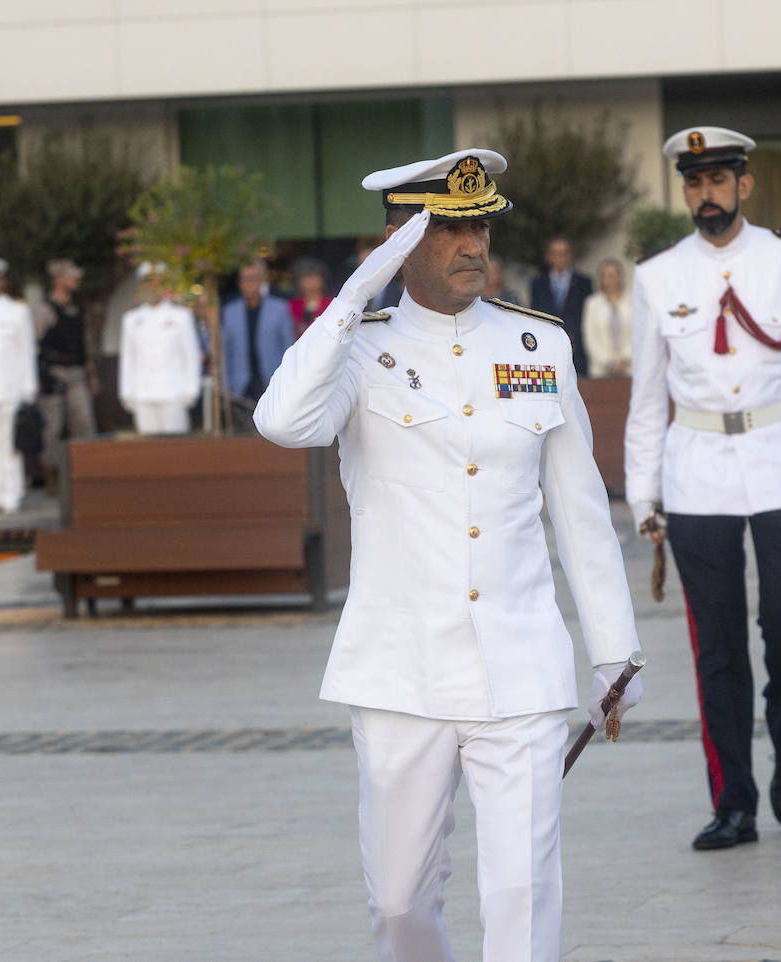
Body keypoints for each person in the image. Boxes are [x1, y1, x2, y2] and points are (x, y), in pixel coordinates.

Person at [253, 149, 642, 962]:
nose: (475, 246)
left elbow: (579, 513)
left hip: (520, 663)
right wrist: (357, 293)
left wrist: (614, 651)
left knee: (521, 894)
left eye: (482, 226)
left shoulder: (538, 346)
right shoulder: (357, 350)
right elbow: (283, 422)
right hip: (399, 670)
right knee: (398, 903)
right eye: (451, 229)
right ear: (400, 239)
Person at [625, 126, 781, 851]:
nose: (705, 195)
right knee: (717, 648)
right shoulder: (657, 277)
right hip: (697, 471)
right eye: (693, 182)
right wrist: (642, 495)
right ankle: (734, 801)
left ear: (746, 183)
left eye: (718, 180)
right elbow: (648, 397)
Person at [33, 258, 98, 485]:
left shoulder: (78, 309)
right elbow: (33, 344)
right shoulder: (44, 310)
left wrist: (92, 374)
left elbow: (85, 344)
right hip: (53, 373)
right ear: (59, 279)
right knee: (52, 426)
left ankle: (88, 470)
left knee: (84, 422)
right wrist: (39, 376)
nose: (76, 281)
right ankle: (52, 474)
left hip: (77, 373)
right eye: (72, 276)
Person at [117, 263, 203, 435]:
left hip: (174, 392)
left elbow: (191, 356)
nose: (152, 288)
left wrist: (191, 390)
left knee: (176, 449)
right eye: (148, 283)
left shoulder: (181, 316)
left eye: (157, 283)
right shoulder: (131, 319)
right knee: (148, 452)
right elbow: (128, 358)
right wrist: (127, 393)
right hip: (142, 392)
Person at [0, 256, 38, 514]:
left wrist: (29, 388)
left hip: (8, 387)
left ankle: (10, 493)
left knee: (10, 444)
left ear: (2, 283)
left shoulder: (17, 311)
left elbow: (26, 351)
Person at [221, 260, 295, 402]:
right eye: (244, 279)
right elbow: (224, 351)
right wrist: (224, 386)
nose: (248, 284)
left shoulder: (279, 308)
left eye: (253, 279)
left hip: (272, 382)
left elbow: (289, 348)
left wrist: (288, 382)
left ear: (262, 281)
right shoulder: (230, 311)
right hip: (239, 385)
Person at [530, 237, 592, 375]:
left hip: (577, 347)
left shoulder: (584, 283)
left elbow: (588, 317)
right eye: (556, 253)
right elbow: (535, 315)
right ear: (549, 257)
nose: (560, 258)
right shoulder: (538, 283)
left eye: (563, 253)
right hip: (547, 347)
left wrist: (571, 337)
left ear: (570, 256)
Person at [581, 258, 632, 377]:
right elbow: (590, 337)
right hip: (601, 370)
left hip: (630, 368)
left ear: (621, 277)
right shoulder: (592, 303)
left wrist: (625, 359)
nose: (611, 279)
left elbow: (640, 334)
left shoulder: (634, 301)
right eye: (607, 275)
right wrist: (609, 362)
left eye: (614, 275)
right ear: (601, 279)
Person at [288, 258, 332, 340]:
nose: (311, 281)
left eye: (315, 276)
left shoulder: (331, 303)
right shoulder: (291, 305)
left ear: (322, 280)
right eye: (306, 277)